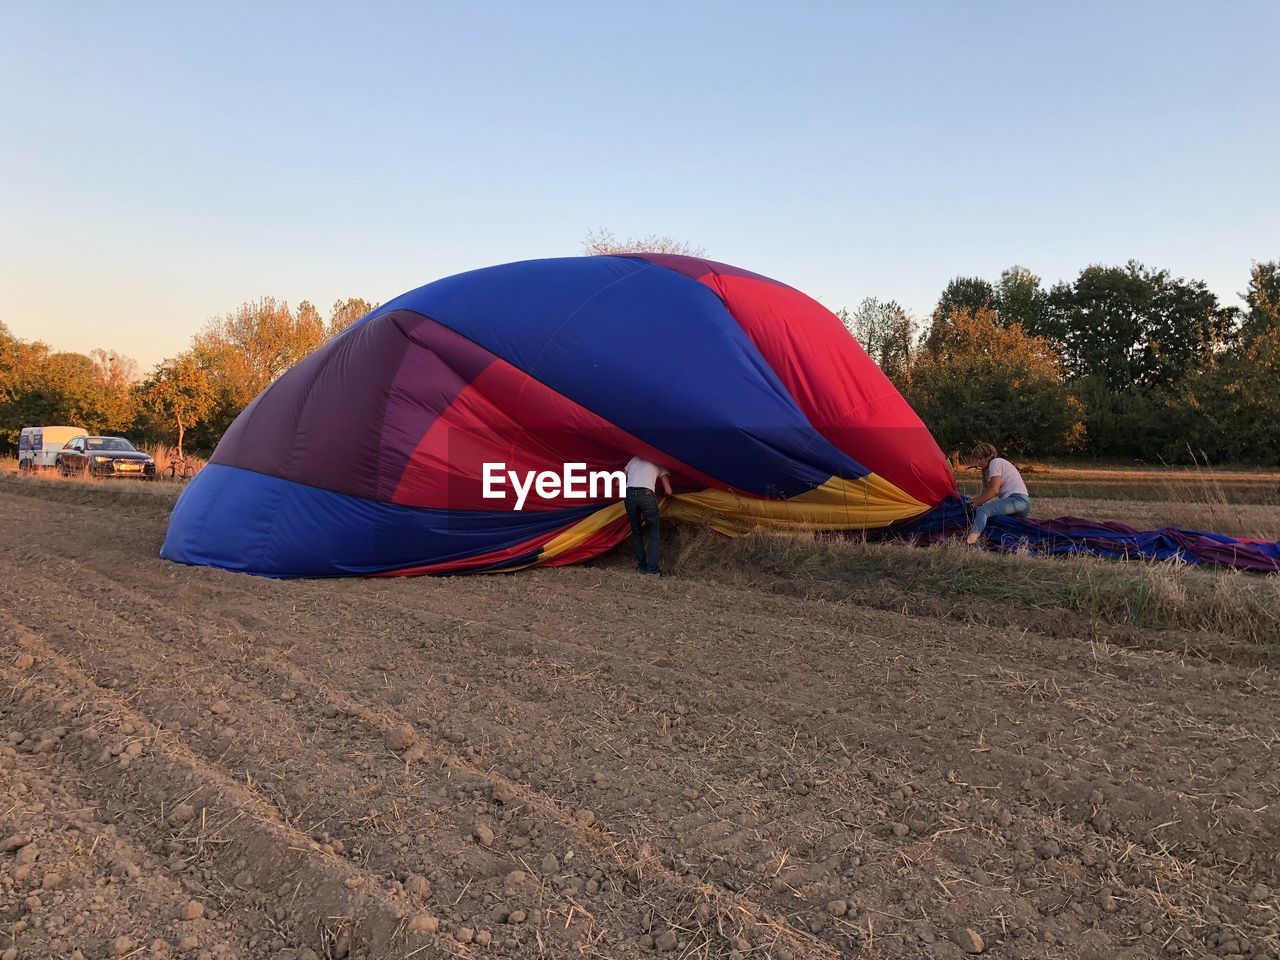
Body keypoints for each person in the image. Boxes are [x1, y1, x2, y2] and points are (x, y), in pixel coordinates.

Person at [965, 442, 1031, 545]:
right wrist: (977, 499)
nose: (978, 463)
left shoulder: (995, 462)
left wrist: (976, 502)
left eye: (979, 459)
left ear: (987, 457)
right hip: (1022, 503)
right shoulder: (998, 463)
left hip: (1017, 500)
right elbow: (987, 491)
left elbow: (994, 490)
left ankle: (970, 542)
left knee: (983, 511)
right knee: (999, 523)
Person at [624, 455, 672, 574]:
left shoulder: (634, 459)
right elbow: (668, 491)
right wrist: (664, 497)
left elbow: (617, 481)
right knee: (653, 534)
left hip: (629, 495)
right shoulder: (660, 462)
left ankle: (642, 567)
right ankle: (652, 570)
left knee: (636, 532)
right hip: (647, 495)